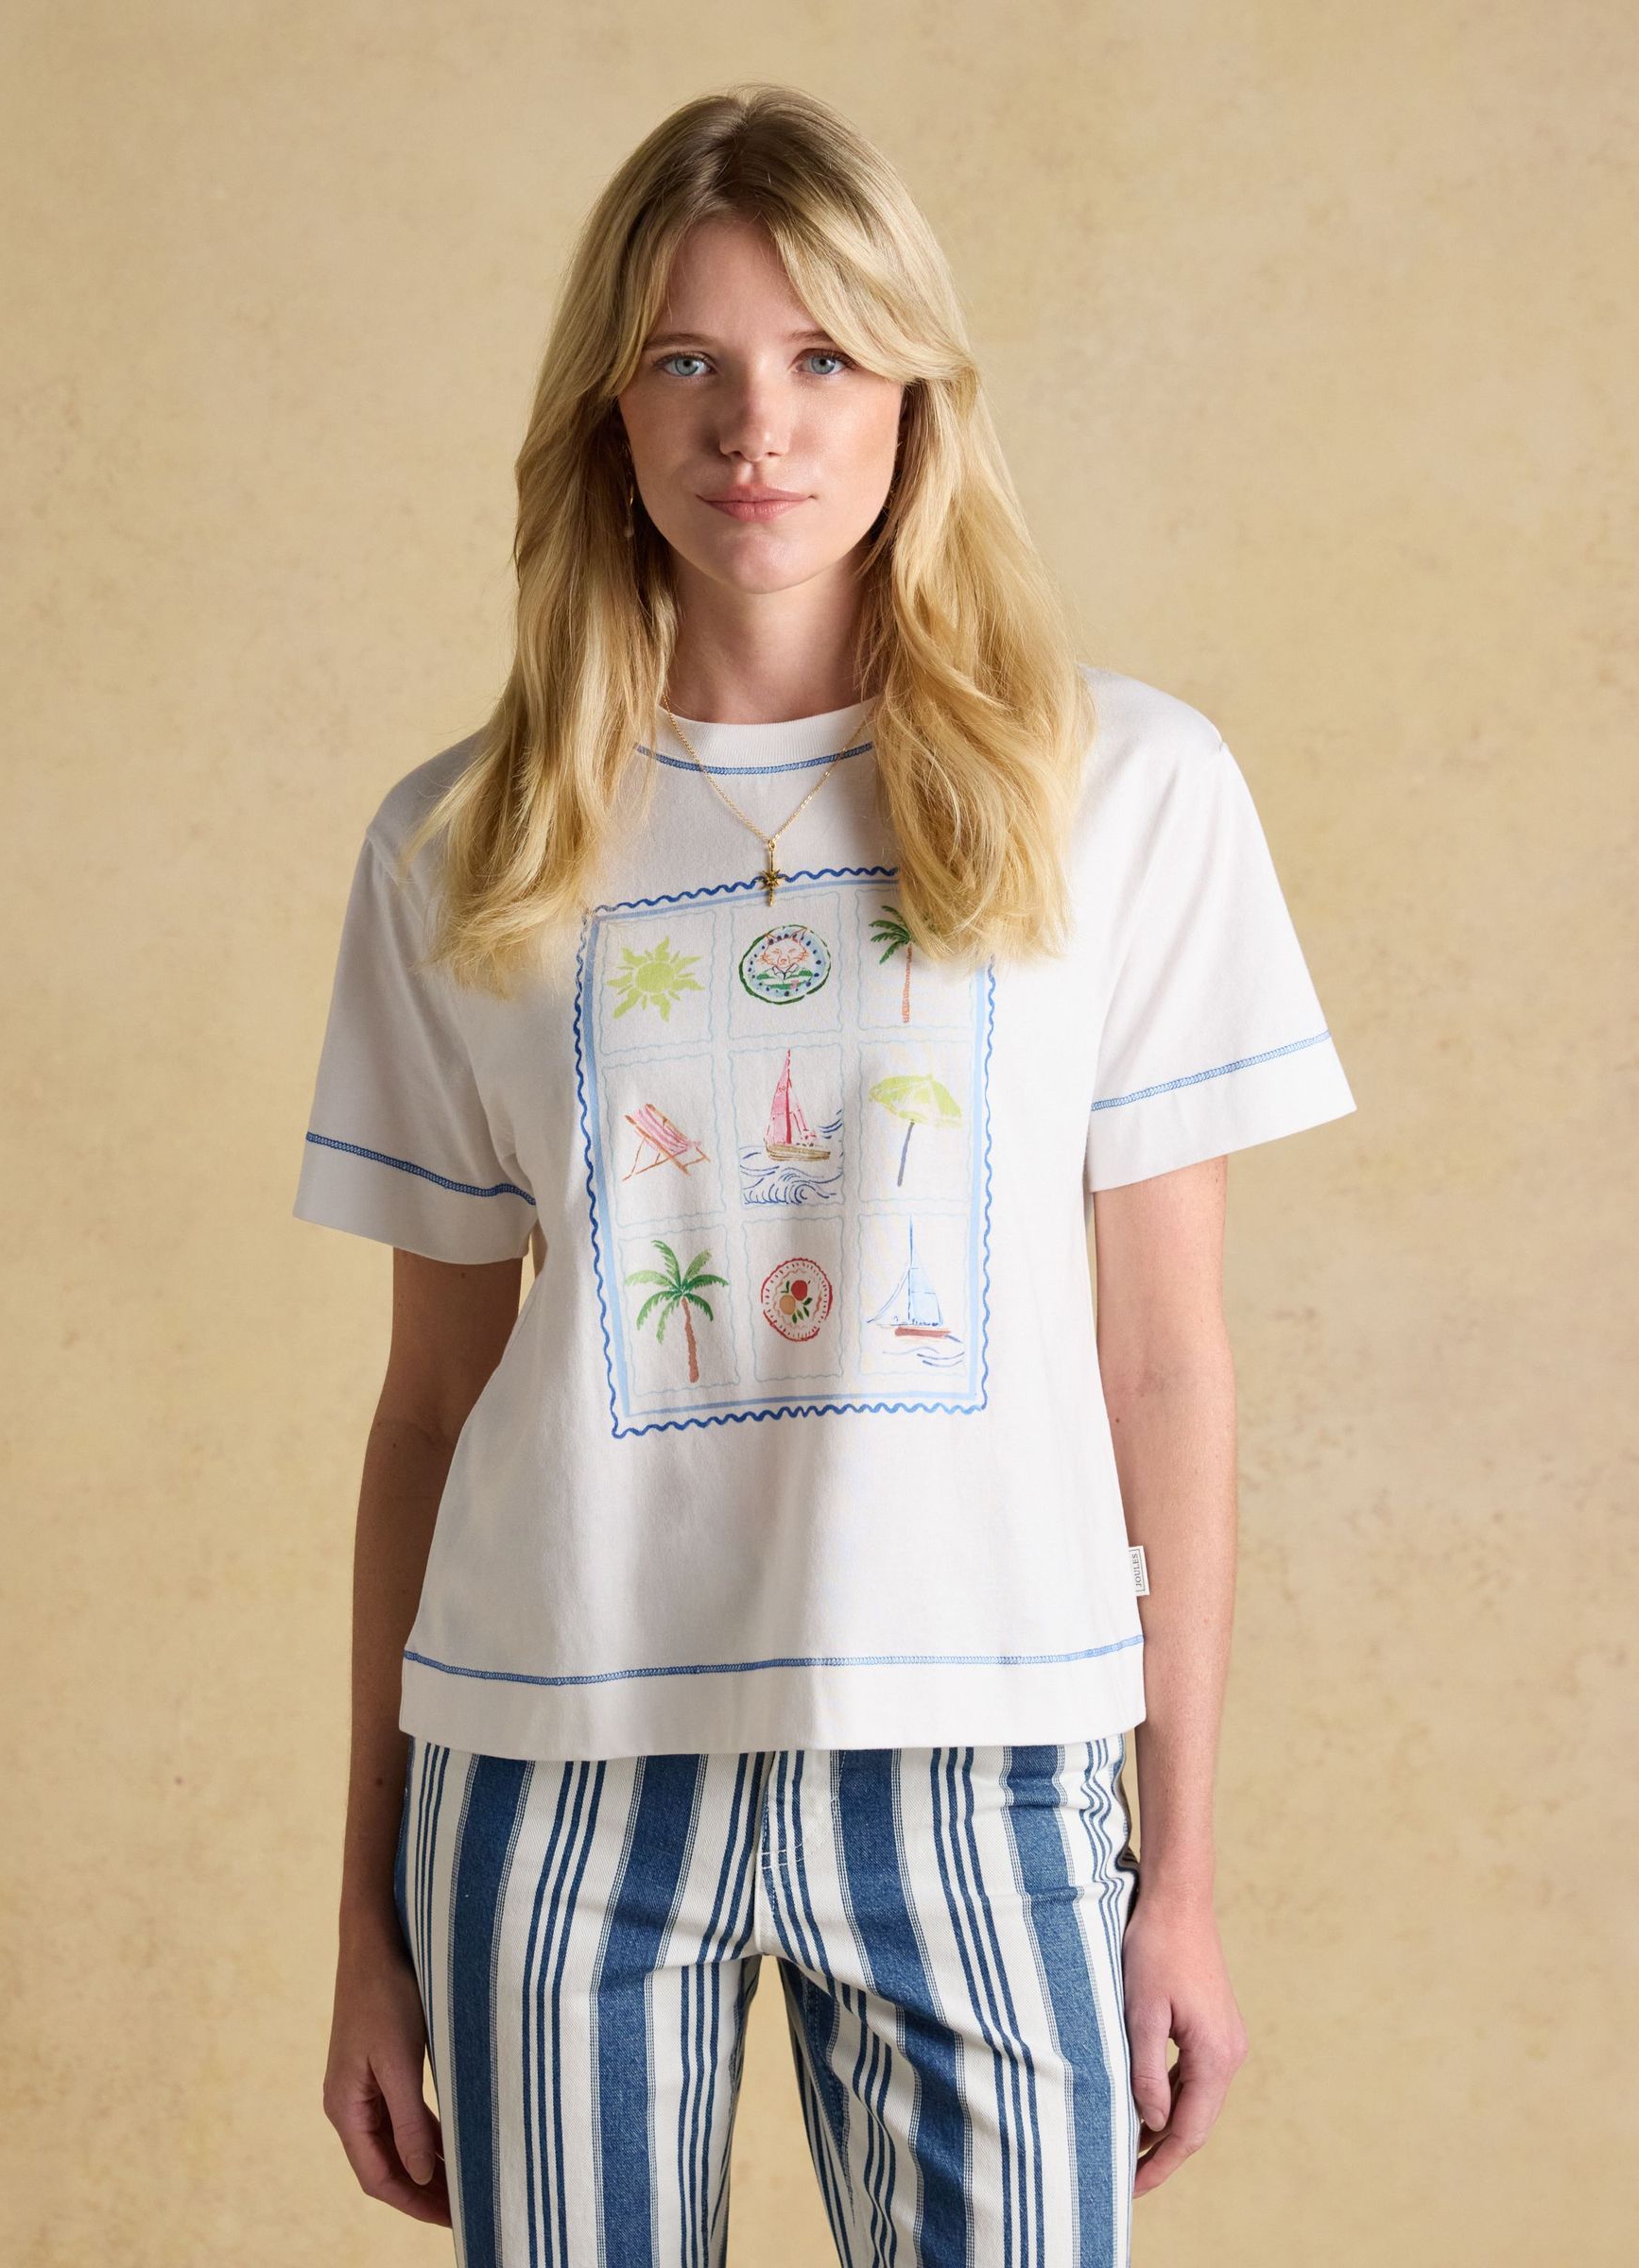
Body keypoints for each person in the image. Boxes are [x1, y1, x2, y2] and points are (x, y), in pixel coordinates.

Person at [293, 83, 1356, 2268]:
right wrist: (364, 1926)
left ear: (915, 394)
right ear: (607, 411)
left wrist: (1182, 1877)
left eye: (823, 356)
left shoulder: (1121, 792)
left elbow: (1169, 1369)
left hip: (990, 1766)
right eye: (685, 358)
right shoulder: (462, 843)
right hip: (557, 1776)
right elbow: (426, 1409)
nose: (755, 426)